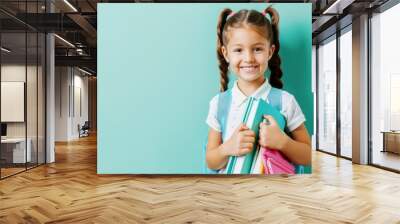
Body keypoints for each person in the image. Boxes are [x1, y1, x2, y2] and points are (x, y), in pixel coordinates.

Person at [205, 6, 311, 173]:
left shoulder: (285, 101)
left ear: (270, 51)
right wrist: (227, 148)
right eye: (238, 50)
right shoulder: (219, 104)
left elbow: (307, 156)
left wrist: (283, 142)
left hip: (272, 194)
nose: (248, 58)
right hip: (231, 194)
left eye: (257, 49)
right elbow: (211, 162)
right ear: (226, 54)